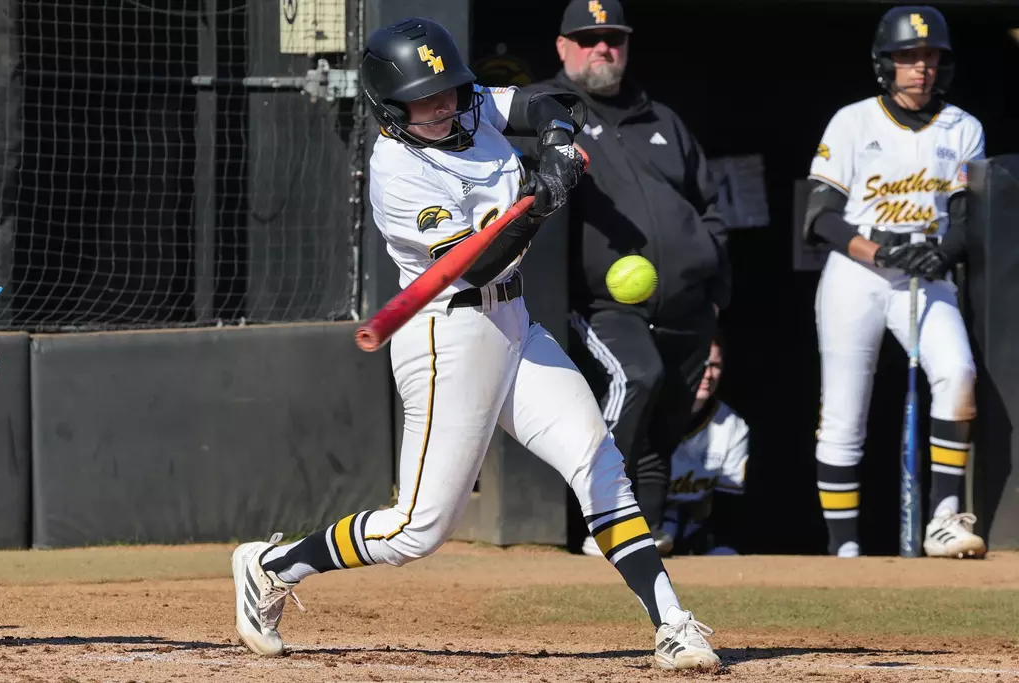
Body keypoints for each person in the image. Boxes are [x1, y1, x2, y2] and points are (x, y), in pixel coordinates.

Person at [229, 16, 721, 672]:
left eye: (448, 91)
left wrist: (554, 144)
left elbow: (555, 102)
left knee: (598, 461)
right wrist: (542, 202)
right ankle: (270, 565)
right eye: (423, 100)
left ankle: (673, 623)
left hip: (515, 324)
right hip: (448, 335)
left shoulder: (469, 105)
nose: (442, 107)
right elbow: (479, 265)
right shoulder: (399, 171)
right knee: (417, 530)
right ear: (389, 108)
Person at [514, 0, 731, 556]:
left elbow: (710, 202)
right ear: (563, 47)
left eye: (613, 38)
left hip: (685, 302)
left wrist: (713, 287)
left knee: (668, 417)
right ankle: (600, 519)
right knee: (636, 378)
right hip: (600, 300)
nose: (602, 48)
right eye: (588, 39)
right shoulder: (545, 107)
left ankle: (647, 530)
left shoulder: (660, 117)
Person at [803, 5, 987, 559]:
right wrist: (879, 250)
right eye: (908, 57)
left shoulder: (964, 128)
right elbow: (821, 216)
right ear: (886, 64)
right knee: (843, 413)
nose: (921, 68)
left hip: (924, 275)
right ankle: (845, 550)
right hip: (858, 273)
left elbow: (968, 217)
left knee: (957, 374)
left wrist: (943, 252)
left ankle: (944, 520)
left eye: (930, 57)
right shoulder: (853, 120)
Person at [583, 331, 748, 557]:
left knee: (725, 553)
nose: (708, 374)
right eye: (703, 363)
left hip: (693, 533)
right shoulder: (643, 415)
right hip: (638, 525)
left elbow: (728, 508)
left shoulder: (732, 426)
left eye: (716, 365)